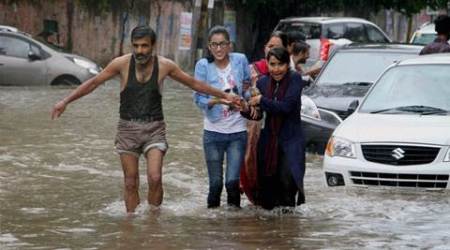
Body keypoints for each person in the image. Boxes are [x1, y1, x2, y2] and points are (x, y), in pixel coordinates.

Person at [51, 26, 239, 214]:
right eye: (136, 46)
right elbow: (93, 83)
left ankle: (153, 222)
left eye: (144, 46)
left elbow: (194, 83)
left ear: (153, 46)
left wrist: (224, 95)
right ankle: (132, 225)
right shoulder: (121, 64)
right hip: (127, 129)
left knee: (155, 177)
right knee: (130, 182)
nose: (140, 51)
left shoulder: (165, 65)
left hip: (154, 129)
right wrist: (65, 101)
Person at [241, 47, 306, 210]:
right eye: (272, 64)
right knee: (267, 190)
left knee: (287, 185)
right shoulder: (262, 82)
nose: (276, 69)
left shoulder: (295, 79)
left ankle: (288, 231)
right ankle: (269, 233)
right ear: (267, 64)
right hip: (268, 142)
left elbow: (286, 107)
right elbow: (258, 115)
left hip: (291, 142)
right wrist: (244, 108)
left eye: (280, 64)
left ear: (287, 65)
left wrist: (261, 100)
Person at [193, 26, 250, 208]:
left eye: (222, 44)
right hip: (213, 132)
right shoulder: (203, 65)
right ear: (209, 47)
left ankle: (234, 225)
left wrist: (248, 100)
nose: (218, 49)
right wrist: (221, 100)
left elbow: (248, 86)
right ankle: (212, 226)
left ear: (229, 45)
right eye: (214, 45)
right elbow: (199, 98)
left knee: (232, 182)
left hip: (238, 131)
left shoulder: (240, 60)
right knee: (215, 185)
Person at [239, 31, 288, 204]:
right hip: (255, 125)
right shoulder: (253, 70)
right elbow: (244, 93)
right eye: (269, 46)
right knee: (251, 159)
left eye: (276, 47)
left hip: (281, 128)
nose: (271, 49)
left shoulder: (291, 76)